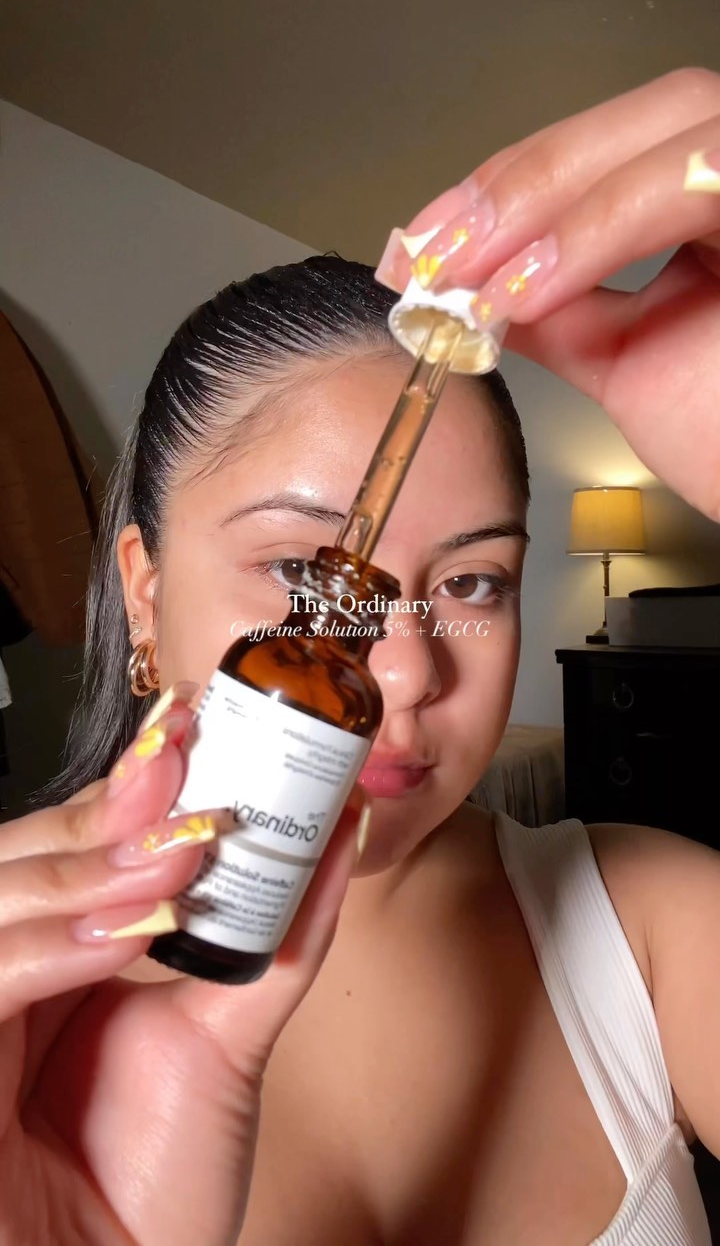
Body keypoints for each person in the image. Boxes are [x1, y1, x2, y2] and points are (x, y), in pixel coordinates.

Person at [1, 65, 719, 1246]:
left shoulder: (652, 924)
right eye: (302, 571)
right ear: (144, 592)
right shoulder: (21, 1041)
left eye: (473, 582)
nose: (405, 673)